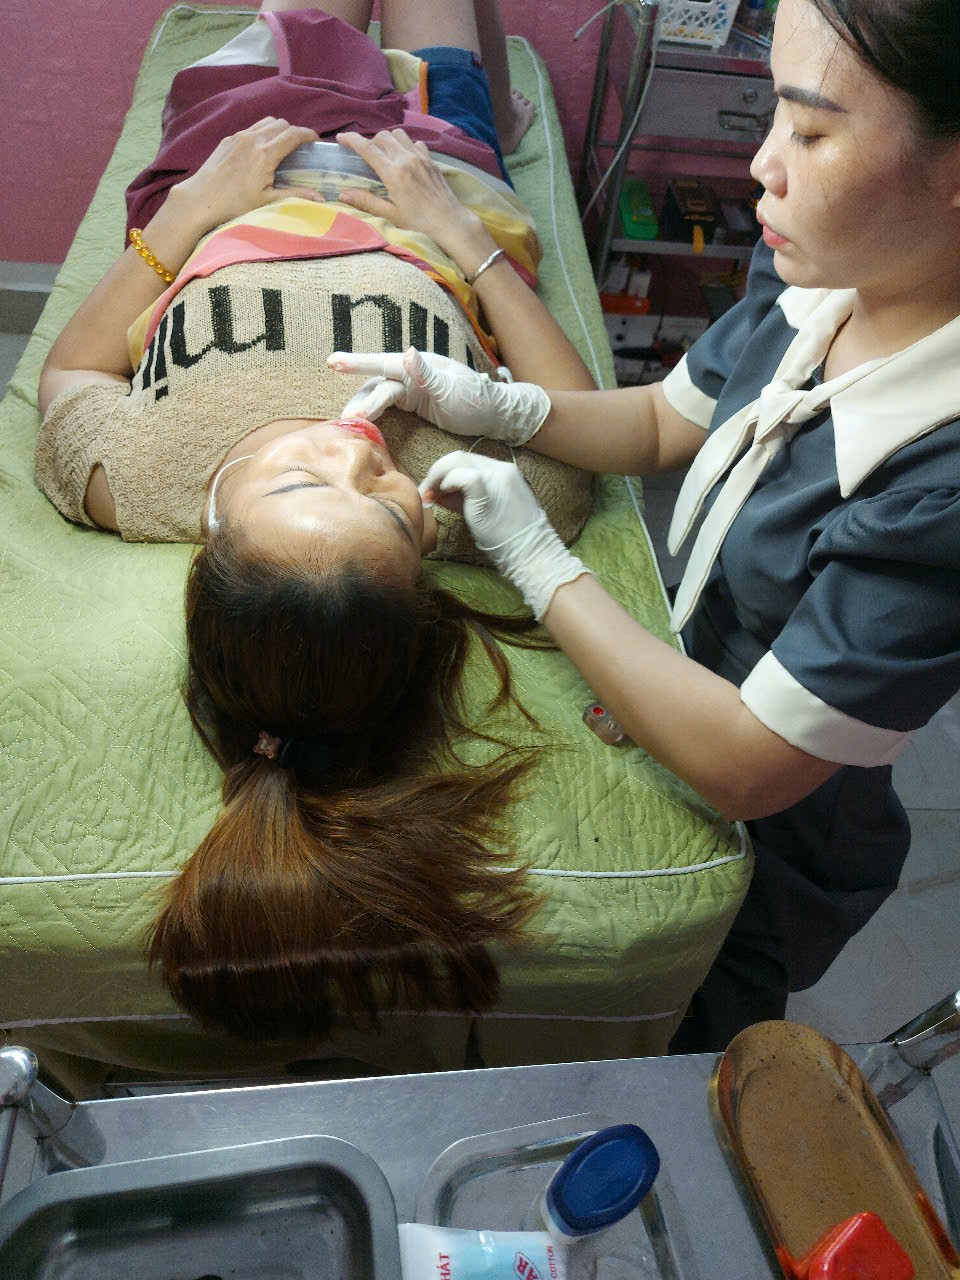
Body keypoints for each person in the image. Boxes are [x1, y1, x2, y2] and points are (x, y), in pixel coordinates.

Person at [333, 0, 960, 1051]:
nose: (761, 164)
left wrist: (536, 557)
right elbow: (667, 421)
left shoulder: (938, 482)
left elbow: (749, 762)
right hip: (685, 687)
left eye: (812, 131)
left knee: (674, 1039)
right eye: (771, 115)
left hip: (771, 843)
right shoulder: (821, 275)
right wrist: (498, 405)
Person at [33, 0, 598, 1041]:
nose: (352, 449)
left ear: (211, 546)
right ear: (423, 547)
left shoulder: (142, 479)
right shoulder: (465, 491)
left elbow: (70, 370)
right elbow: (579, 428)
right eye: (385, 505)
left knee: (306, 18)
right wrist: (460, 235)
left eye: (297, 487)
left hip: (238, 179)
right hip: (431, 184)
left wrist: (193, 208)